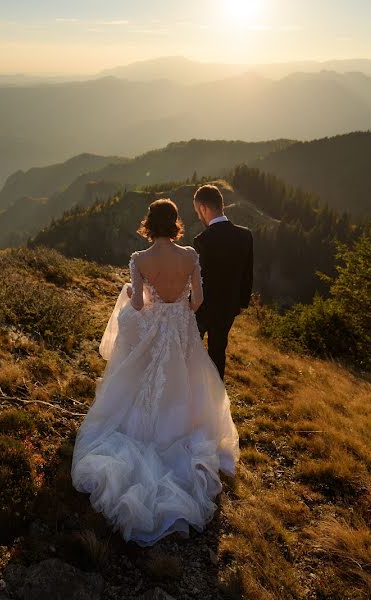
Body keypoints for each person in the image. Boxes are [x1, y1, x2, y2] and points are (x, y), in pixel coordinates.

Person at [70, 198, 240, 547]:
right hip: (180, 329)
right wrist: (179, 302)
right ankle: (183, 429)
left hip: (155, 327)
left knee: (142, 379)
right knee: (187, 380)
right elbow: (197, 303)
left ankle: (143, 431)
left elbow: (135, 305)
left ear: (149, 223)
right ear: (175, 223)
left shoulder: (139, 259)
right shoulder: (191, 255)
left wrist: (138, 291)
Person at [191, 184, 253, 381]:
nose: (198, 216)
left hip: (203, 307)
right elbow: (247, 273)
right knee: (218, 351)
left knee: (192, 348)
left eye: (197, 211)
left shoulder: (202, 239)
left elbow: (199, 278)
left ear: (203, 208)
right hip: (229, 306)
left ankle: (194, 388)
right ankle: (216, 395)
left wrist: (190, 304)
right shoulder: (245, 235)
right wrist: (242, 303)